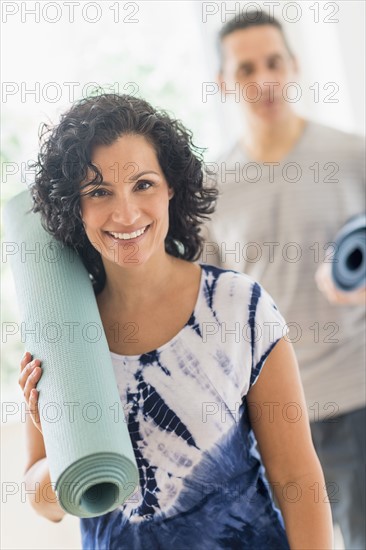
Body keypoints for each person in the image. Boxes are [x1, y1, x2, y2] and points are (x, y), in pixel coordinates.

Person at [18, 93, 332, 549]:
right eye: (99, 191)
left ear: (170, 188)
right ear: (76, 206)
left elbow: (297, 477)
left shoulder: (237, 307)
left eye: (142, 184)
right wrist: (64, 445)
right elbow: (44, 504)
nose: (125, 213)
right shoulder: (61, 332)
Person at [203, 11, 365, 550]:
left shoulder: (352, 155)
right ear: (225, 84)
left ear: (294, 66)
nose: (263, 79)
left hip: (359, 394)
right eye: (245, 69)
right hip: (273, 419)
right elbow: (209, 311)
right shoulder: (210, 190)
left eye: (274, 62)